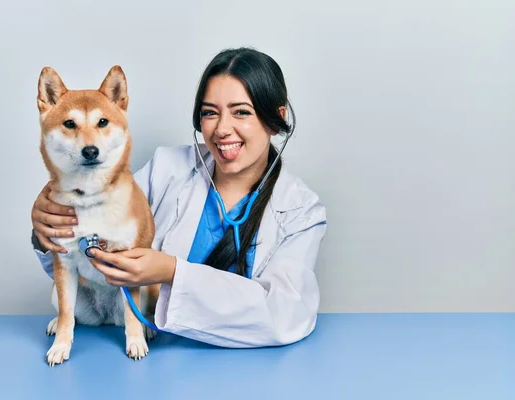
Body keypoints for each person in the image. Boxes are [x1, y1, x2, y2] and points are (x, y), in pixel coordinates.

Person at [30, 47, 328, 348]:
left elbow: (285, 315)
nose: (223, 129)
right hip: (157, 356)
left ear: (276, 119)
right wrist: (46, 229)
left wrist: (172, 272)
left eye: (241, 112)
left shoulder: (301, 212)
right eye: (210, 112)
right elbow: (85, 258)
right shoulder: (167, 168)